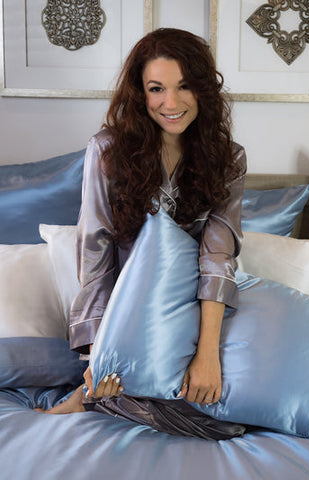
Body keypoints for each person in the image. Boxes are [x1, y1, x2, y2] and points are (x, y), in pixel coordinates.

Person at [37, 28, 247, 440]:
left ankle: (97, 396)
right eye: (157, 89)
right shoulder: (107, 152)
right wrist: (102, 351)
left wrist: (208, 356)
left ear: (203, 88)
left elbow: (218, 257)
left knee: (230, 402)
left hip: (197, 304)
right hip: (127, 310)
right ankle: (93, 392)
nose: (171, 102)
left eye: (184, 86)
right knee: (119, 376)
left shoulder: (229, 159)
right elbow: (95, 254)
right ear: (140, 94)